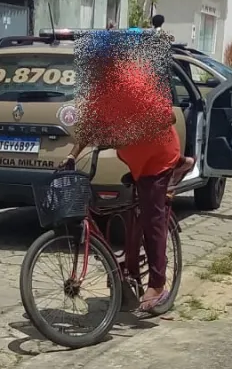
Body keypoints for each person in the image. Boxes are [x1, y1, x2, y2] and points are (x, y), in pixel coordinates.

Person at [61, 114, 194, 312]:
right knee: (109, 211)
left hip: (158, 158)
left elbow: (168, 117)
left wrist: (128, 134)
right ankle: (123, 265)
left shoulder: (138, 86)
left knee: (152, 218)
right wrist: (72, 154)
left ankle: (157, 286)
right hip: (135, 159)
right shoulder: (103, 93)